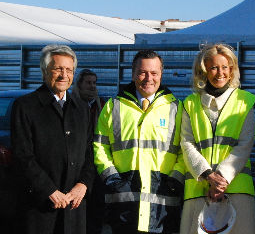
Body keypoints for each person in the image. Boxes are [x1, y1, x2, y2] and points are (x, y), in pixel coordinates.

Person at [93, 50, 184, 234]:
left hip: (163, 207)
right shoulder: (113, 106)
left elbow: (185, 149)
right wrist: (113, 179)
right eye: (142, 72)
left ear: (161, 74)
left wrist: (175, 179)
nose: (148, 78)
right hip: (123, 206)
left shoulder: (177, 108)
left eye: (154, 73)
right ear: (133, 74)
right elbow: (100, 147)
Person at [11, 44, 95, 234]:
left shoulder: (81, 108)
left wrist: (83, 184)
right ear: (44, 71)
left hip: (74, 207)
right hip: (39, 207)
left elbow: (90, 152)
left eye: (69, 70)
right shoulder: (26, 106)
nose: (64, 75)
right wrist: (49, 190)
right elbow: (23, 155)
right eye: (58, 69)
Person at [180, 44, 255, 234]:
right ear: (203, 71)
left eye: (225, 67)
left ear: (232, 71)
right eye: (214, 67)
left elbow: (245, 144)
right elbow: (186, 143)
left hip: (236, 190)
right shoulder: (190, 103)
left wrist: (221, 180)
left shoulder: (245, 101)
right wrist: (208, 175)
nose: (220, 73)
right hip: (199, 190)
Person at [72, 69, 107, 234]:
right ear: (79, 84)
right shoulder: (72, 105)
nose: (92, 86)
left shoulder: (102, 105)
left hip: (97, 164)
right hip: (78, 163)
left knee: (96, 212)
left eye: (94, 83)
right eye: (88, 82)